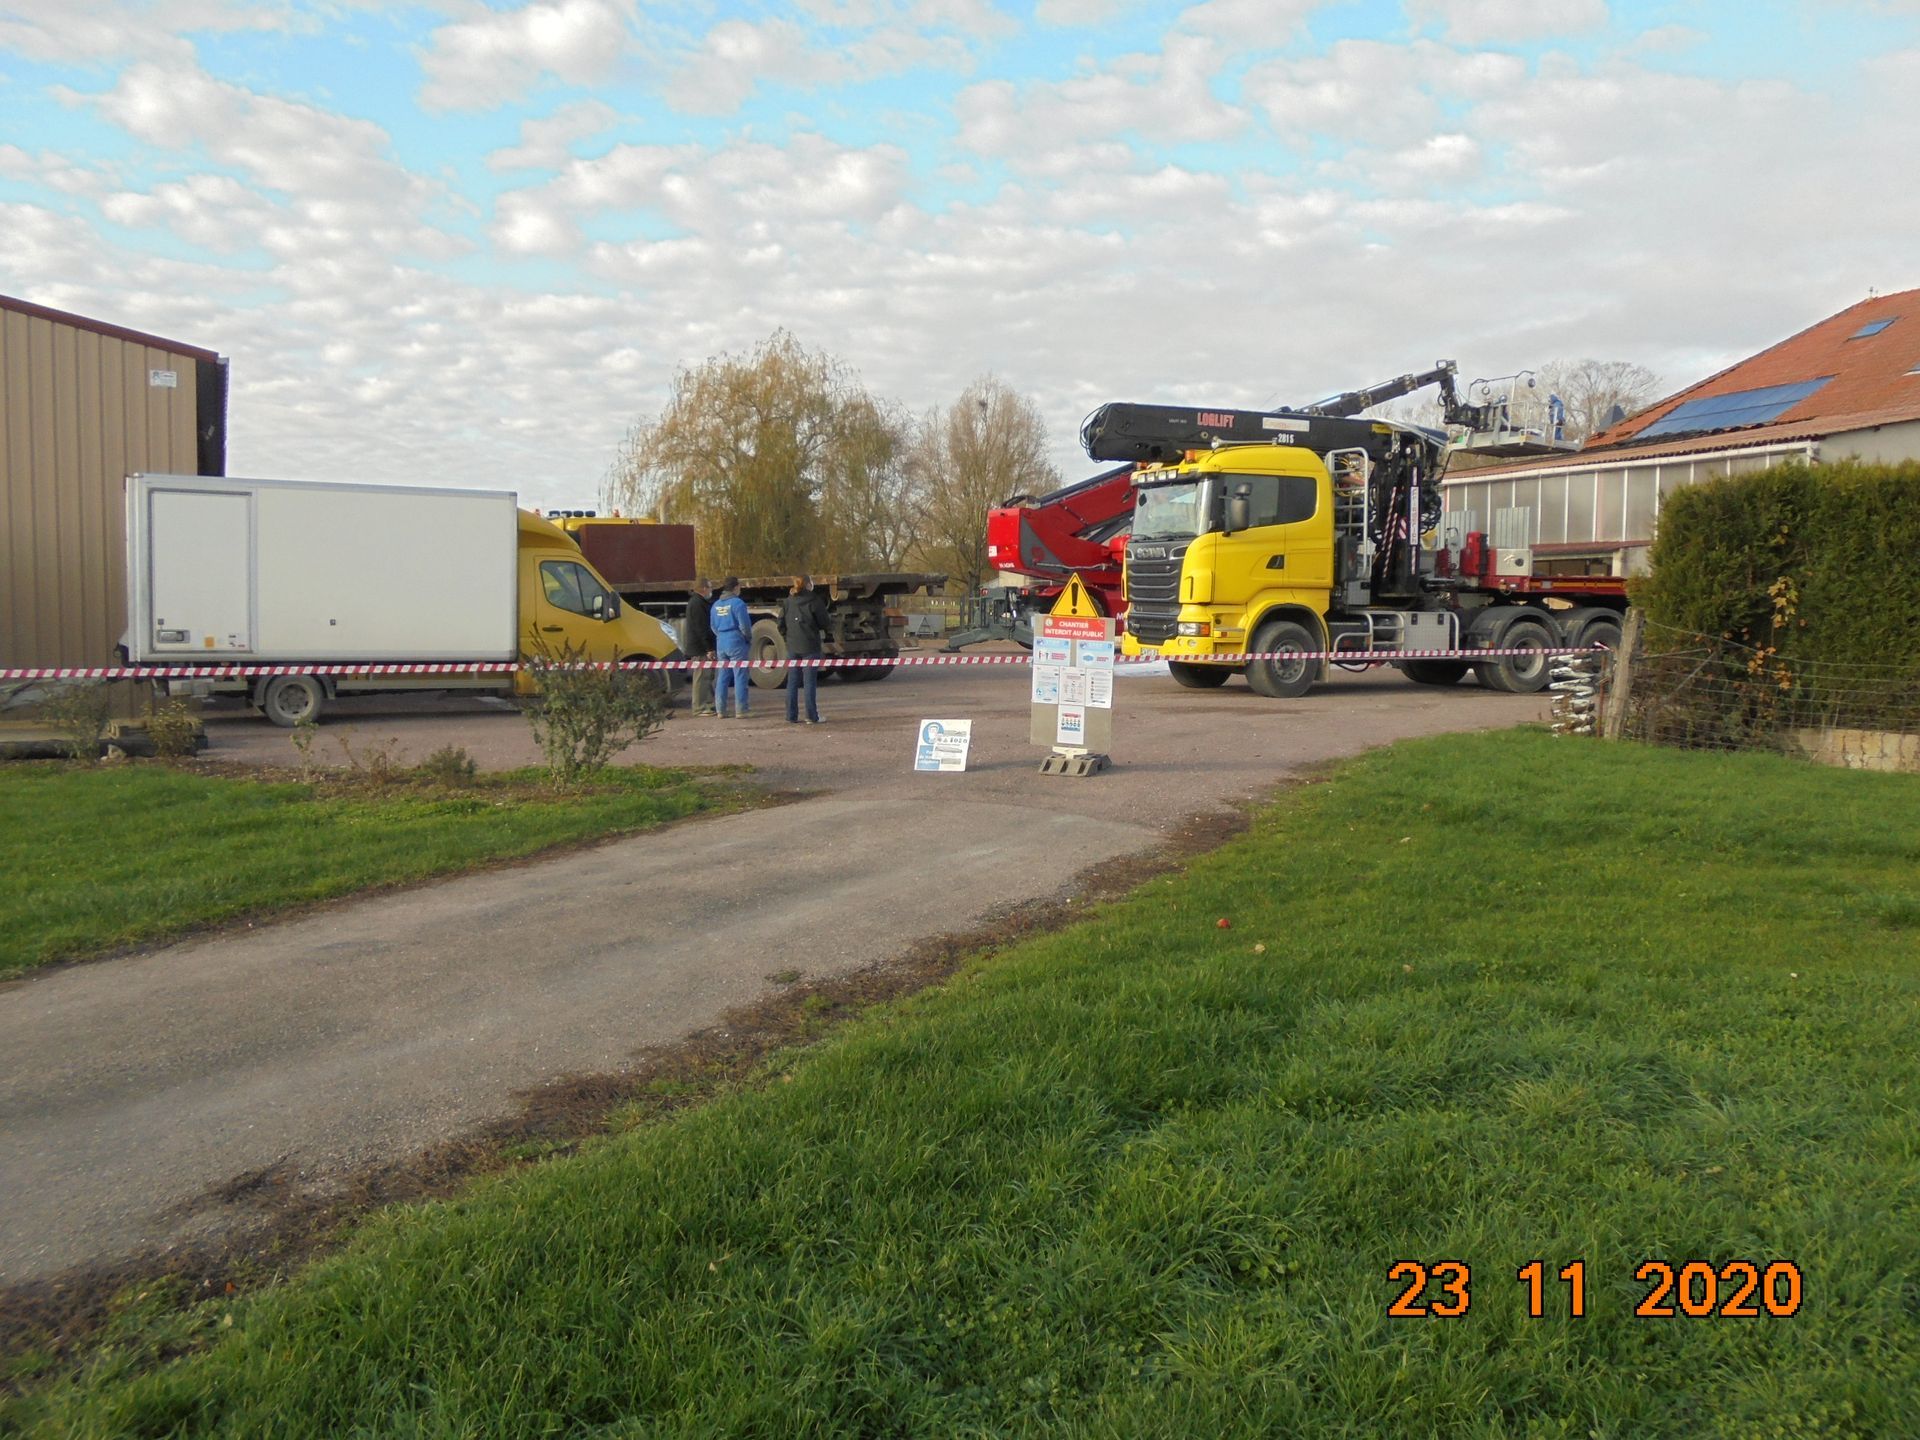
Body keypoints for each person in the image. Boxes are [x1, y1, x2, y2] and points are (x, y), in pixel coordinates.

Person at [782, 574, 831, 724]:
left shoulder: (788, 601)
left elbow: (780, 623)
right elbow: (824, 622)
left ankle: (791, 716)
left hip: (792, 646)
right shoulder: (815, 601)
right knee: (809, 682)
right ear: (809, 584)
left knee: (792, 681)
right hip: (810, 646)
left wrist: (787, 638)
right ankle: (811, 716)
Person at [709, 577, 753, 718]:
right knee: (740, 675)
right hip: (736, 641)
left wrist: (721, 636)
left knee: (722, 676)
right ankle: (741, 709)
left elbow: (713, 626)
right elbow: (745, 626)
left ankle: (720, 710)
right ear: (735, 587)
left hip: (721, 641)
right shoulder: (738, 603)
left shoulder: (715, 605)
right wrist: (747, 638)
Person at [682, 577, 717, 716]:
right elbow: (701, 628)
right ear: (703, 588)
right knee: (701, 677)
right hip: (699, 647)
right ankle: (699, 707)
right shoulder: (697, 604)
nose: (711, 590)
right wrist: (709, 648)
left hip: (701, 646)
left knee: (706, 677)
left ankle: (708, 704)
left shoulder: (698, 602)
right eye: (710, 587)